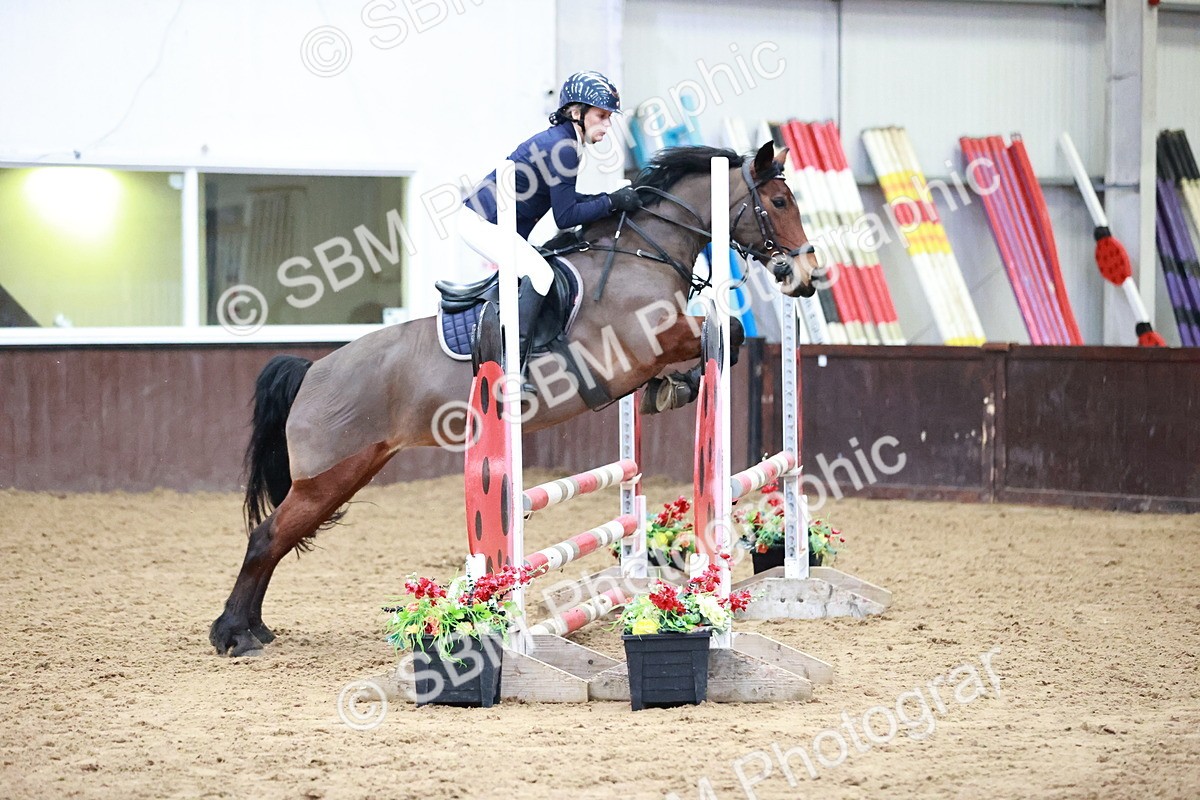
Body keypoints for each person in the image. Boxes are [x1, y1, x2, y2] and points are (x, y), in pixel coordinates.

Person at [458, 70, 643, 385]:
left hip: (491, 223)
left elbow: (568, 201)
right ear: (576, 112)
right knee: (540, 273)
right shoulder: (565, 149)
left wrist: (608, 199)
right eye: (601, 115)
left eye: (610, 117)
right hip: (481, 222)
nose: (608, 124)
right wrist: (611, 202)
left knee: (539, 268)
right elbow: (566, 216)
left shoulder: (565, 142)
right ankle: (512, 364)